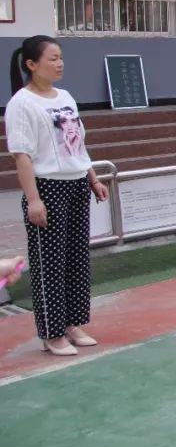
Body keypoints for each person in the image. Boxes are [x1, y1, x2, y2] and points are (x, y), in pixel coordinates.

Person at [5, 36, 109, 356]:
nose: (59, 63)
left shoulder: (65, 97)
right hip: (47, 186)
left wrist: (92, 179)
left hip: (76, 183)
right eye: (52, 59)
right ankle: (52, 333)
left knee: (76, 259)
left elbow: (76, 144)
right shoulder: (21, 103)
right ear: (31, 65)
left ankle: (73, 323)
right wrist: (34, 199)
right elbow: (21, 155)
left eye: (60, 57)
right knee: (49, 262)